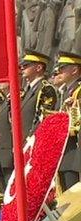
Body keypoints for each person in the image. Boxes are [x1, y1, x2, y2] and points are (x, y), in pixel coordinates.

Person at [55, 51, 81, 190]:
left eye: (63, 67)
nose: (59, 71)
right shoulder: (65, 92)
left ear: (75, 70)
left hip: (74, 152)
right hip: (65, 153)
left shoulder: (78, 90)